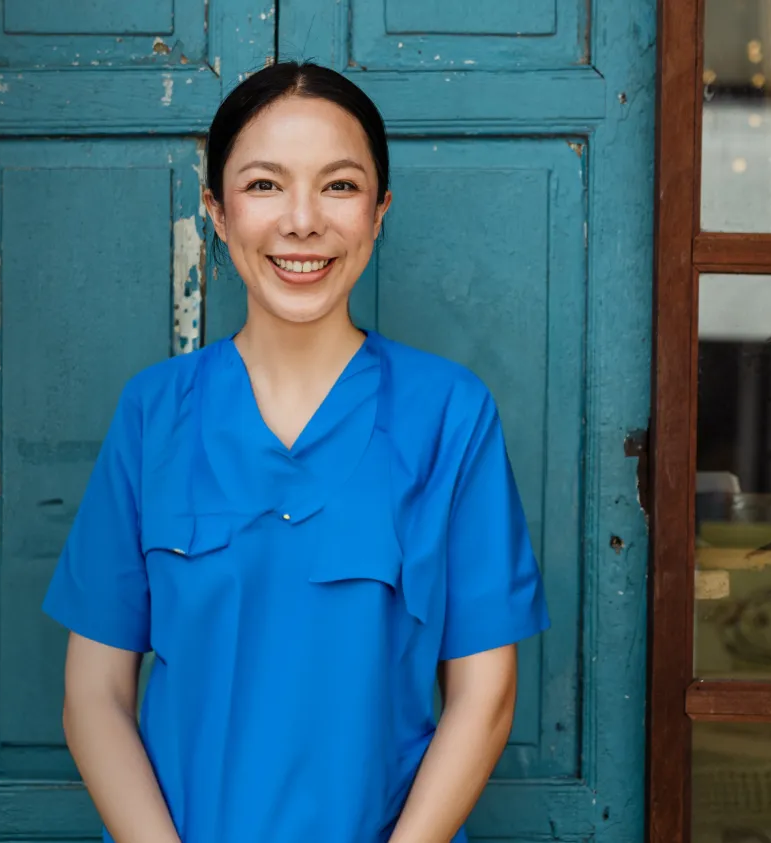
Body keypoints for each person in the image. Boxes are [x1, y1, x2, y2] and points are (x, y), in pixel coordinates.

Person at [41, 60, 550, 843]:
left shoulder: (450, 414)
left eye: (340, 186)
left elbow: (485, 695)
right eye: (264, 185)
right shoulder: (155, 413)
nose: (303, 221)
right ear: (215, 208)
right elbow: (94, 694)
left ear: (379, 212)